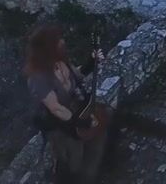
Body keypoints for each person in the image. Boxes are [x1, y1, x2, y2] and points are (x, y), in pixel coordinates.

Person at [25, 26, 108, 184]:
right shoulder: (38, 78)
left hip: (76, 110)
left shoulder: (61, 62)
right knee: (73, 160)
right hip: (59, 124)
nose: (62, 42)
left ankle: (88, 178)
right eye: (58, 41)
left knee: (94, 144)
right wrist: (81, 123)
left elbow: (77, 76)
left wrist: (92, 61)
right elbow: (56, 108)